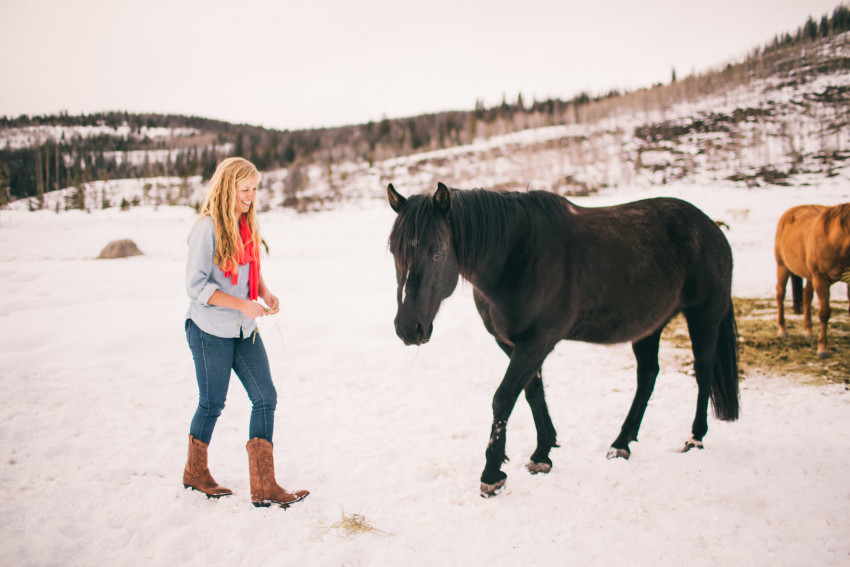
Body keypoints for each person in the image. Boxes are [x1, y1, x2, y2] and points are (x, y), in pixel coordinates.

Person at [182, 156, 309, 507]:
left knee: (265, 397)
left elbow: (251, 269)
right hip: (209, 330)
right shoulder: (205, 229)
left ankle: (265, 485)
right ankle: (195, 473)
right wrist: (240, 305)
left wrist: (264, 292)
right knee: (212, 403)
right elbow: (196, 286)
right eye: (245, 189)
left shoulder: (247, 224)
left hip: (244, 330)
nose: (251, 196)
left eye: (255, 189)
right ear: (227, 188)